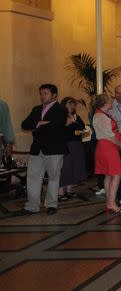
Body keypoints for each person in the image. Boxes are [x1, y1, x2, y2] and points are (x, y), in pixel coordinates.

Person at [18, 84, 67, 215]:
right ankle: (32, 206)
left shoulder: (61, 109)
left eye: (45, 93)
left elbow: (58, 124)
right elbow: (25, 124)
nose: (42, 96)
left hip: (54, 149)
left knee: (53, 177)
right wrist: (40, 123)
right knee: (33, 177)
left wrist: (39, 126)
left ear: (54, 95)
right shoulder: (36, 109)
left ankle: (51, 204)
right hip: (37, 149)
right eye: (41, 93)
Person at [91, 94, 121, 214]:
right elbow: (110, 136)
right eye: (110, 101)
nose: (112, 102)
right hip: (108, 147)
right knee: (116, 174)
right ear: (105, 103)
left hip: (104, 147)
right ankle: (112, 203)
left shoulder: (99, 115)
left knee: (108, 175)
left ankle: (109, 202)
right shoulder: (101, 116)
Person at [57, 97, 87, 200]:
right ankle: (60, 192)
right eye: (69, 104)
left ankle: (69, 190)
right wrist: (69, 123)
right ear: (64, 104)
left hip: (77, 144)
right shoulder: (61, 116)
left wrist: (81, 131)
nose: (71, 106)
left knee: (74, 167)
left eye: (73, 104)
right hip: (66, 144)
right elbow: (60, 130)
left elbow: (82, 127)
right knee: (65, 167)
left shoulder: (76, 116)